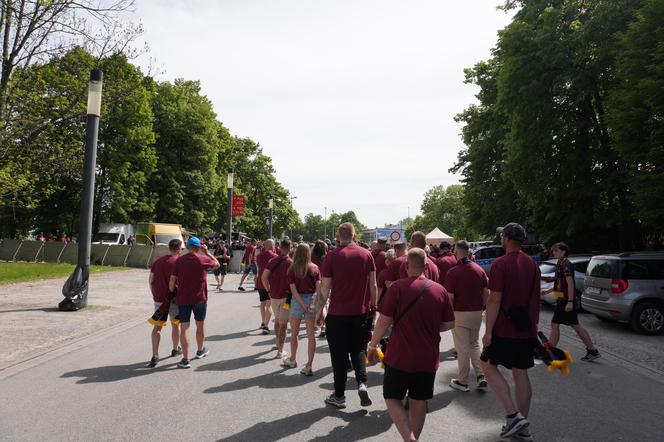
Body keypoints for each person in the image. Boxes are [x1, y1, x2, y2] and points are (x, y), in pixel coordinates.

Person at [368, 248, 455, 442]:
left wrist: (372, 346)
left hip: (400, 356)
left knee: (392, 397)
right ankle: (415, 436)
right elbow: (450, 323)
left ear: (406, 266)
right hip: (428, 357)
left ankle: (409, 438)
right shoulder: (439, 290)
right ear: (426, 267)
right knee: (419, 400)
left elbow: (383, 321)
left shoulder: (397, 288)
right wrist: (430, 328)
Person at [480, 223, 540, 441]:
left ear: (505, 239)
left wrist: (488, 331)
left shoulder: (500, 264)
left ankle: (513, 415)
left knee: (486, 365)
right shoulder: (533, 265)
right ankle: (522, 425)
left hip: (505, 328)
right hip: (526, 328)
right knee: (521, 373)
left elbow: (494, 299)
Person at [320, 223, 377, 409]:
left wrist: (319, 311)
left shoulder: (331, 256)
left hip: (337, 313)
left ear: (338, 236)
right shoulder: (366, 254)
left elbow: (325, 288)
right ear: (354, 235)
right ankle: (362, 382)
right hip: (361, 312)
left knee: (339, 355)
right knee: (358, 350)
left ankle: (339, 395)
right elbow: (373, 285)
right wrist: (373, 308)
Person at [541, 242, 600, 362]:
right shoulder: (560, 263)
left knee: (555, 324)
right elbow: (560, 283)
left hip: (565, 301)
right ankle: (592, 350)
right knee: (575, 326)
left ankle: (550, 352)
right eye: (553, 251)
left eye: (556, 251)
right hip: (562, 299)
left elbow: (570, 284)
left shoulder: (566, 265)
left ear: (563, 251)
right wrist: (548, 290)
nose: (554, 253)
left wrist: (570, 301)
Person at [444, 240, 489, 392]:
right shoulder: (479, 269)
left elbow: (449, 297)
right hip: (477, 312)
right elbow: (486, 292)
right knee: (474, 344)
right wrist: (483, 307)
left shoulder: (453, 272)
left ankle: (463, 381)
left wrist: (447, 314)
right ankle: (481, 375)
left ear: (456, 252)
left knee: (462, 348)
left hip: (460, 313)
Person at [169, 237, 220, 369]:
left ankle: (185, 359)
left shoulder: (180, 260)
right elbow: (217, 264)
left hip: (183, 298)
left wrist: (171, 293)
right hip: (200, 298)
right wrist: (207, 252)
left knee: (184, 327)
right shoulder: (202, 259)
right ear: (198, 248)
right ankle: (200, 350)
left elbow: (172, 280)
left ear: (186, 247)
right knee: (200, 324)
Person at [282, 243, 322, 375]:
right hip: (311, 300)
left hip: (297, 301)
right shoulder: (315, 268)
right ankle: (309, 365)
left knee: (294, 333)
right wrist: (312, 302)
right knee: (311, 335)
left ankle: (293, 359)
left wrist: (302, 303)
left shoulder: (292, 269)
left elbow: (293, 291)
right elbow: (318, 288)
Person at [147, 239, 183, 367]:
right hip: (174, 300)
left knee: (157, 328)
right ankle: (175, 349)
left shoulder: (158, 262)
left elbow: (150, 280)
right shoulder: (179, 262)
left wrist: (154, 294)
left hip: (159, 300)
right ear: (179, 249)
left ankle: (155, 355)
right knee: (176, 324)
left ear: (169, 248)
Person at [262, 239, 293, 359]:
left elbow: (264, 277)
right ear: (290, 248)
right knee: (284, 323)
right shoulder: (291, 263)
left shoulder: (272, 261)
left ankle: (277, 342)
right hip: (287, 298)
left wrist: (269, 290)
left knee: (277, 320)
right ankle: (280, 350)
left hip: (274, 296)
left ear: (279, 247)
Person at [256, 239, 277, 334]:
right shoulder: (275, 257)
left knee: (262, 303)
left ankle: (263, 321)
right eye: (274, 245)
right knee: (269, 305)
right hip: (270, 283)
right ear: (271, 246)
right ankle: (266, 325)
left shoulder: (259, 256)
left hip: (260, 282)